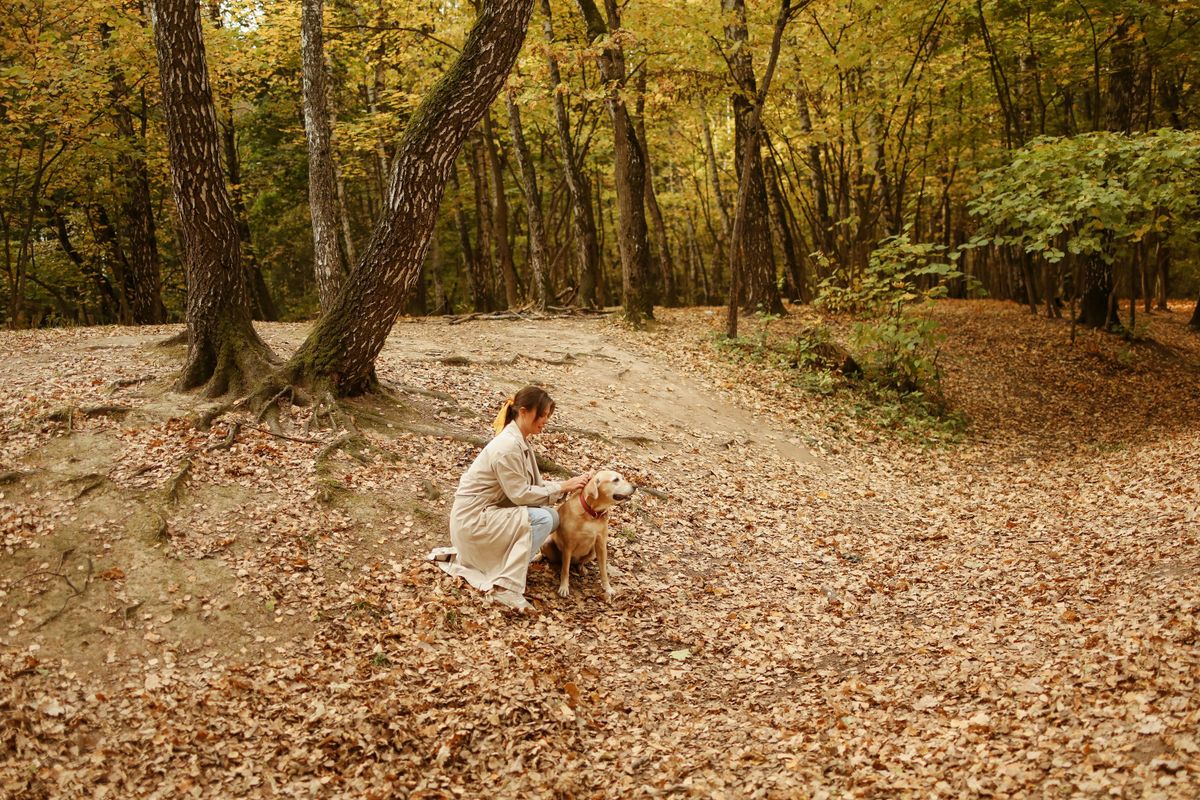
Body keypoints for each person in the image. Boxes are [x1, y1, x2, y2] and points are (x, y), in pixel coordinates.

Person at [442, 386, 591, 611]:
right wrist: (562, 487)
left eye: (547, 416)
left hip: (487, 517)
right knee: (542, 519)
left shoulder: (519, 440)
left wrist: (567, 486)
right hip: (473, 523)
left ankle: (510, 567)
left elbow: (533, 489)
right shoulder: (508, 446)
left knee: (551, 516)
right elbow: (520, 495)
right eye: (541, 415)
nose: (545, 420)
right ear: (523, 412)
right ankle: (506, 588)